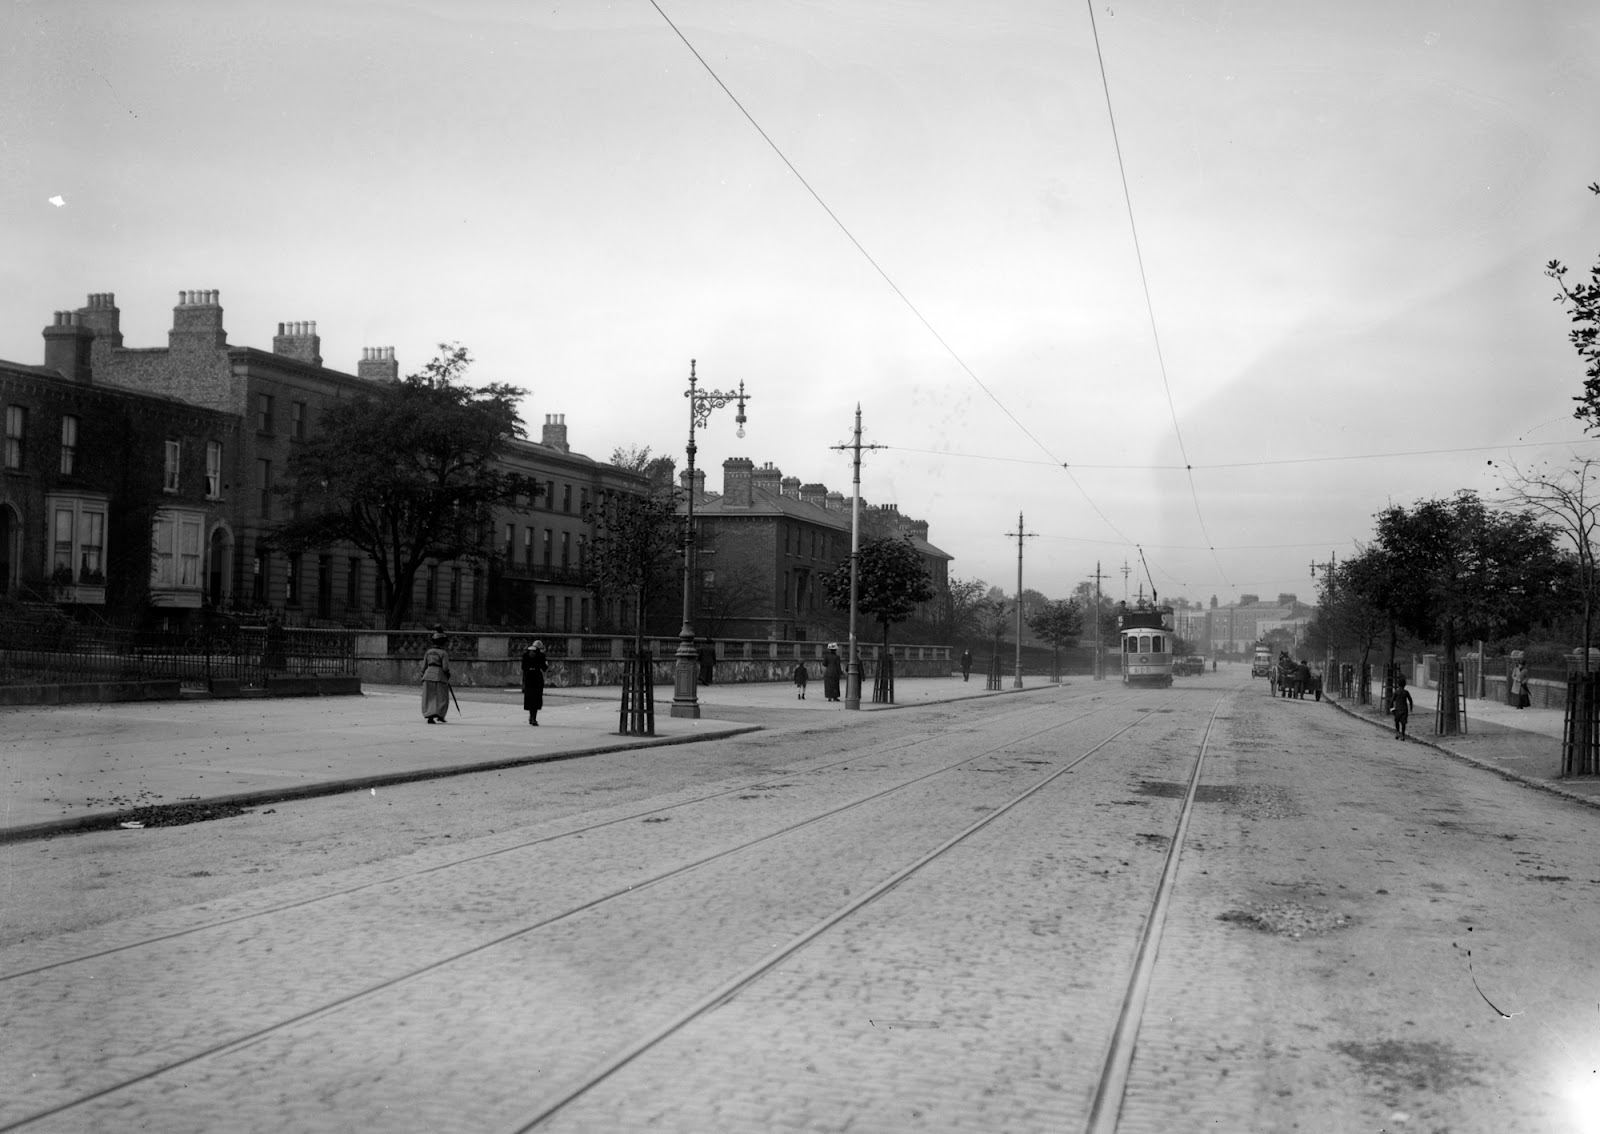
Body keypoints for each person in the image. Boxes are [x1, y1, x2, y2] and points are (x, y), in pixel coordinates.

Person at [420, 631, 451, 724]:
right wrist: (448, 674)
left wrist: (423, 674)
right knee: (442, 697)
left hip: (428, 675)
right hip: (439, 676)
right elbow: (445, 668)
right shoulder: (443, 653)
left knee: (428, 697)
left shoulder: (428, 652)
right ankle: (440, 715)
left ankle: (430, 716)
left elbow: (423, 667)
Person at [522, 640, 548, 726]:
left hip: (528, 677)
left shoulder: (525, 655)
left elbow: (523, 667)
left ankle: (530, 716)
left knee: (529, 698)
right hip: (537, 677)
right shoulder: (541, 655)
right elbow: (544, 668)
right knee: (536, 698)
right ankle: (534, 718)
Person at [1392, 674, 1414, 740]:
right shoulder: (1406, 692)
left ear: (1398, 684)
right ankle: (1403, 735)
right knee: (1403, 723)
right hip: (1404, 709)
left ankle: (1397, 732)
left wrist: (1392, 709)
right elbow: (1410, 700)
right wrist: (1411, 708)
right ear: (1405, 685)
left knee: (1397, 721)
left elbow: (1391, 701)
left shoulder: (1396, 692)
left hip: (1397, 709)